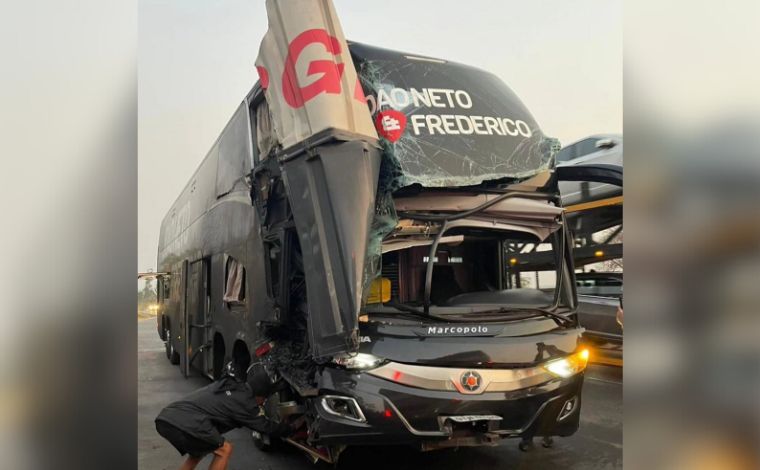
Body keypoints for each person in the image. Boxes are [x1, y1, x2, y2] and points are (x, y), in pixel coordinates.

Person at [155, 362, 292, 470]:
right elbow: (265, 427)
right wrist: (290, 429)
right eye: (264, 399)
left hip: (167, 417)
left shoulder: (234, 386)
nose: (263, 403)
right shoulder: (245, 404)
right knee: (224, 449)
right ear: (260, 396)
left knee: (198, 452)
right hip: (185, 422)